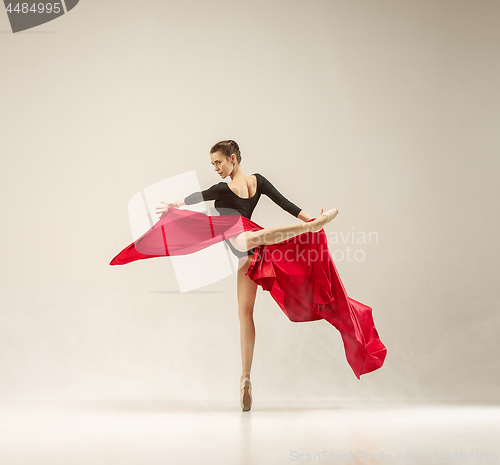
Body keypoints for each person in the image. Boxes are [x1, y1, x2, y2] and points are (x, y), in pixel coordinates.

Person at [155, 140, 339, 411]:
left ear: (233, 158)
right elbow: (202, 196)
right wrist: (311, 219)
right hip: (253, 255)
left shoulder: (225, 188)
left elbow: (282, 202)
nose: (216, 168)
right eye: (212, 164)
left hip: (245, 242)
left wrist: (175, 204)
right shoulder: (256, 182)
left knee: (249, 239)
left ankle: (308, 228)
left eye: (218, 162)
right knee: (245, 314)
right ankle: (245, 378)